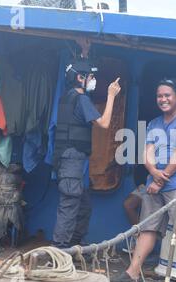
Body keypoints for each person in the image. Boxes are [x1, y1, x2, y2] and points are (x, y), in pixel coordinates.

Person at [111, 78, 176, 282]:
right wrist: (153, 171)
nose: (163, 99)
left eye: (167, 95)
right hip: (154, 181)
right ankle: (133, 273)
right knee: (148, 227)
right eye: (159, 96)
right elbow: (147, 153)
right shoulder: (154, 123)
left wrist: (160, 181)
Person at [52, 59, 121, 248]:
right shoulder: (81, 99)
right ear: (80, 78)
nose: (93, 80)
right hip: (72, 160)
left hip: (72, 159)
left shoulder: (68, 97)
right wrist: (111, 95)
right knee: (70, 204)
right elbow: (104, 123)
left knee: (83, 205)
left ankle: (75, 247)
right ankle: (61, 251)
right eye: (91, 76)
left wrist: (84, 52)